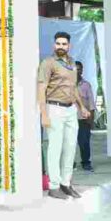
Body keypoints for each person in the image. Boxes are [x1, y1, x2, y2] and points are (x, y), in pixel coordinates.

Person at [37, 31, 90, 200]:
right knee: (55, 148)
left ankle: (66, 183)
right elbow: (41, 88)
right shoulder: (48, 63)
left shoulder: (72, 63)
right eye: (58, 43)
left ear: (69, 46)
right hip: (54, 108)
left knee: (70, 147)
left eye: (64, 44)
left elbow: (74, 88)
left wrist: (81, 107)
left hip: (70, 110)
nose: (61, 46)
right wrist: (44, 114)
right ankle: (54, 186)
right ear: (54, 45)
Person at [75, 62, 95, 172]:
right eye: (75, 69)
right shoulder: (67, 84)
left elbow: (91, 103)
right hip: (70, 119)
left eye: (79, 69)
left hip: (83, 119)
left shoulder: (86, 85)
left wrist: (91, 120)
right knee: (69, 144)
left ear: (82, 71)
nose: (77, 71)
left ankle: (86, 162)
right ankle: (70, 164)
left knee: (84, 142)